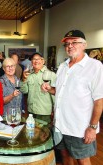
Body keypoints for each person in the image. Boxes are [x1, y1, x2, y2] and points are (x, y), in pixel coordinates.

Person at [41, 30, 103, 165]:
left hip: (79, 127)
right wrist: (50, 89)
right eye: (67, 44)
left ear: (84, 45)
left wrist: (92, 128)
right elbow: (62, 91)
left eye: (74, 42)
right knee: (65, 157)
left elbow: (99, 100)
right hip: (60, 125)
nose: (70, 46)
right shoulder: (63, 66)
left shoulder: (95, 66)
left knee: (83, 160)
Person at [20, 52, 56, 124]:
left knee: (44, 134)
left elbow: (55, 94)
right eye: (34, 59)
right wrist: (23, 79)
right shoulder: (28, 75)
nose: (36, 61)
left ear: (43, 61)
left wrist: (55, 111)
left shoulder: (51, 74)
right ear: (31, 62)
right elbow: (25, 91)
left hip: (44, 112)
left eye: (38, 59)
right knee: (32, 132)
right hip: (31, 111)